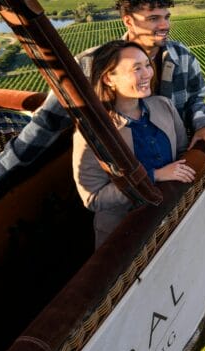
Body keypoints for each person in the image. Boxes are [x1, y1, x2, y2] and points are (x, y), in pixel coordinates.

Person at [0, 0, 205, 209]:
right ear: (128, 20)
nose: (164, 25)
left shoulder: (181, 57)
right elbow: (47, 122)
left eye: (166, 16)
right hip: (118, 188)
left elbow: (195, 99)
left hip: (172, 178)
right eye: (153, 18)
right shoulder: (88, 66)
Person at [74, 40, 194, 247]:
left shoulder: (163, 106)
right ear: (109, 78)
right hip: (125, 238)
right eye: (137, 68)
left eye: (147, 65)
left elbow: (183, 151)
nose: (147, 74)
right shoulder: (92, 132)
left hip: (172, 222)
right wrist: (154, 175)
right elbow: (93, 198)